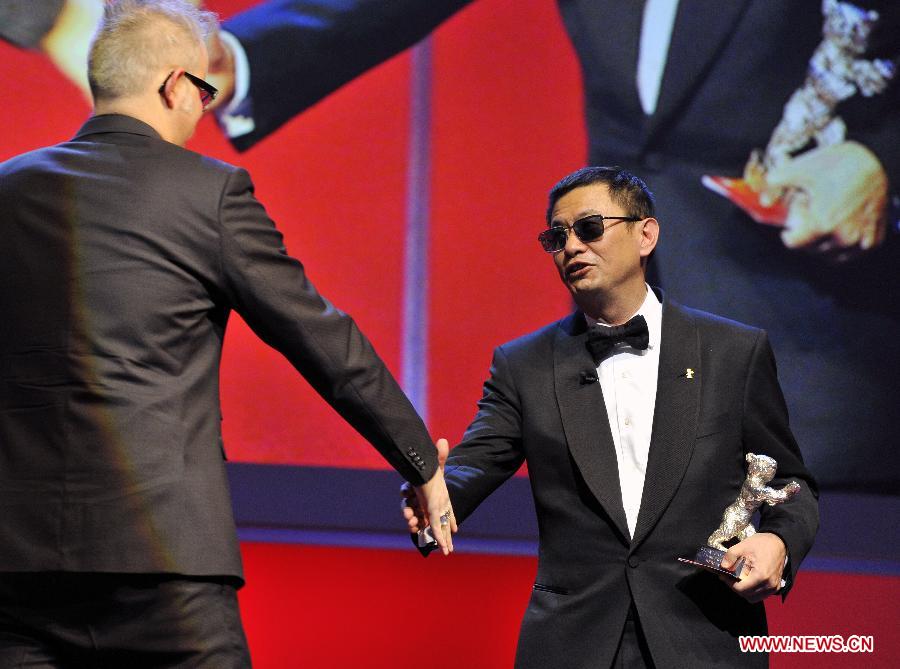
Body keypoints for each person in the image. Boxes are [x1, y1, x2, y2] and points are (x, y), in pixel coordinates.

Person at [0, 1, 456, 666]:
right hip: (162, 565)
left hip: (19, 567)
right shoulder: (208, 193)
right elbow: (321, 340)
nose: (204, 110)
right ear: (173, 85)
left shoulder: (7, 190)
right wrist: (421, 461)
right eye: (205, 91)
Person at [404, 166, 819, 668]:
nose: (572, 246)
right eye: (557, 237)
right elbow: (475, 463)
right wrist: (435, 492)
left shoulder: (733, 352)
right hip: (573, 644)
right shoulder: (524, 364)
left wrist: (778, 540)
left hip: (704, 638)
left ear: (646, 234)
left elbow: (790, 482)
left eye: (590, 228)